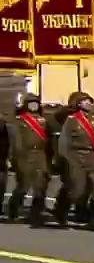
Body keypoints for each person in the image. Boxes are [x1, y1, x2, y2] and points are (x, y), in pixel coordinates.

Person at [56, 91, 94, 231]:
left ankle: (91, 219)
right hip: (76, 157)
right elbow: (64, 142)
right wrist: (67, 160)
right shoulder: (71, 120)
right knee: (76, 190)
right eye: (85, 101)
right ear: (78, 104)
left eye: (90, 101)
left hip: (93, 156)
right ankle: (61, 211)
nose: (89, 103)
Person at [9, 94, 51, 227]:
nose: (34, 105)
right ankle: (13, 208)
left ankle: (36, 214)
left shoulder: (44, 120)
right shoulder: (19, 121)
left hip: (40, 154)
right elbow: (16, 142)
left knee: (41, 186)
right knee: (24, 185)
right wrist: (15, 158)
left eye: (36, 103)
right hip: (25, 155)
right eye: (31, 103)